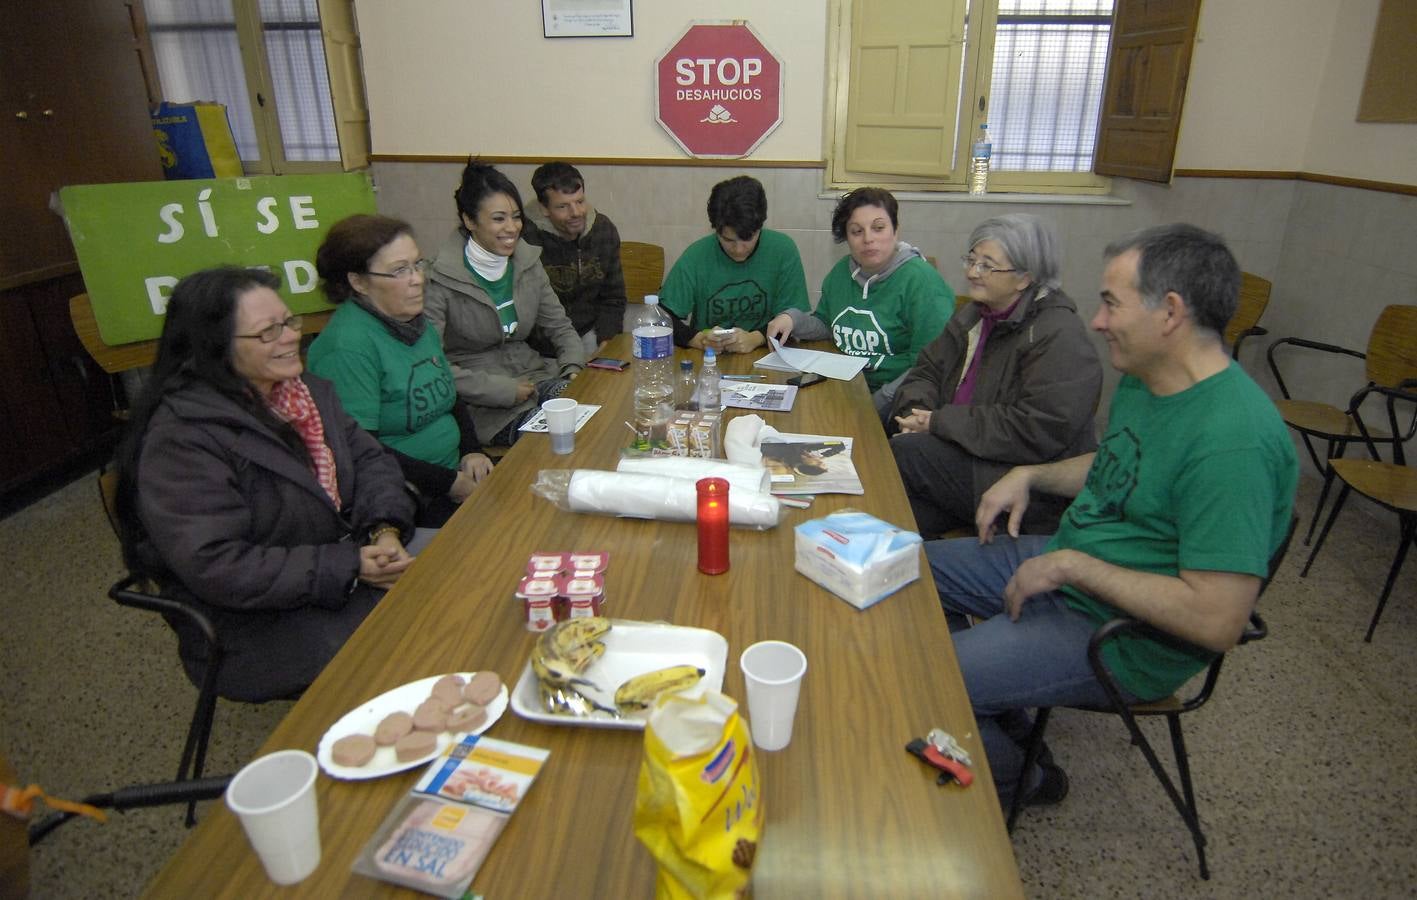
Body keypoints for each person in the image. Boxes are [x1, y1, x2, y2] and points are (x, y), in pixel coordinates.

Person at [927, 224, 1298, 811]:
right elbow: (1121, 462)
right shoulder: (1150, 378)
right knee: (909, 573)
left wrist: (1073, 567)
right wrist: (1033, 475)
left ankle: (1016, 776)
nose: (1098, 322)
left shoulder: (1235, 442)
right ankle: (1002, 709)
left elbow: (1216, 618)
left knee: (925, 679)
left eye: (1111, 303)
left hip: (1126, 634)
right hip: (1072, 566)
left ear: (1170, 312)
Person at [113, 267, 418, 702]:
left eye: (289, 322)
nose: (291, 337)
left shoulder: (304, 392)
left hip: (340, 562)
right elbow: (220, 566)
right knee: (434, 623)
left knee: (472, 579)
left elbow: (372, 460)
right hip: (254, 623)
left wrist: (383, 529)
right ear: (214, 348)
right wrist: (348, 566)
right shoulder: (182, 439)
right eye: (267, 332)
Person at [889, 214, 1101, 537]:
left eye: (987, 265)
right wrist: (914, 415)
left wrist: (937, 423)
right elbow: (926, 369)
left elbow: (1035, 429)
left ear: (1023, 278)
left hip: (1015, 481)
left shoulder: (1058, 335)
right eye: (971, 260)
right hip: (959, 455)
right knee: (890, 519)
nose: (972, 272)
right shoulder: (975, 314)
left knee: (904, 455)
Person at [308, 214, 493, 527]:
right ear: (358, 281)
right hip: (405, 497)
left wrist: (473, 452)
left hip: (454, 474)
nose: (418, 279)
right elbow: (362, 449)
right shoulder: (347, 346)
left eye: (418, 264)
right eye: (399, 270)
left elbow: (450, 397)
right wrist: (448, 482)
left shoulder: (415, 323)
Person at [424, 160, 586, 446]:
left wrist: (572, 368)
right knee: (557, 438)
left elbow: (560, 327)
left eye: (516, 217)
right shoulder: (438, 278)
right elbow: (432, 364)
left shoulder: (527, 262)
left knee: (592, 408)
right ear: (469, 221)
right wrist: (503, 390)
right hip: (484, 404)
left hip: (536, 377)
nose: (512, 228)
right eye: (499, 219)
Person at [765, 187, 953, 420]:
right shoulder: (841, 273)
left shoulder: (922, 282)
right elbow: (826, 324)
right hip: (844, 388)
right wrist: (792, 318)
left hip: (898, 402)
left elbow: (927, 369)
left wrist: (876, 404)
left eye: (878, 228)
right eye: (856, 231)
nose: (868, 239)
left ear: (895, 230)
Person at [659, 175, 809, 354]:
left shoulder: (783, 250)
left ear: (760, 227)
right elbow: (662, 317)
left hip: (766, 357)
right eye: (728, 240)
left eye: (748, 239)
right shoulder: (697, 255)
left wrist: (756, 338)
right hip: (709, 362)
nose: (738, 249)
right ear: (715, 230)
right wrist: (698, 339)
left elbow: (793, 318)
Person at [520, 162, 627, 355]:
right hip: (537, 343)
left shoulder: (603, 229)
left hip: (589, 334)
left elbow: (613, 298)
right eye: (563, 206)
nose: (576, 213)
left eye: (580, 201)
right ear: (544, 208)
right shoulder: (523, 237)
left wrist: (607, 341)